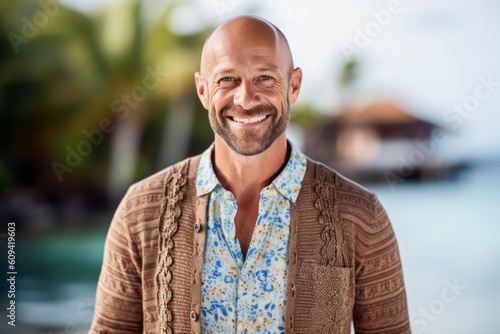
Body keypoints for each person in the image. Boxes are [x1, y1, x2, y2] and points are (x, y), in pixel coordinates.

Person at [89, 15, 410, 334]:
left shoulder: (360, 215)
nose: (246, 99)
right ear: (203, 90)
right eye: (227, 79)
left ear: (294, 86)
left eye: (265, 78)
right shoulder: (141, 210)